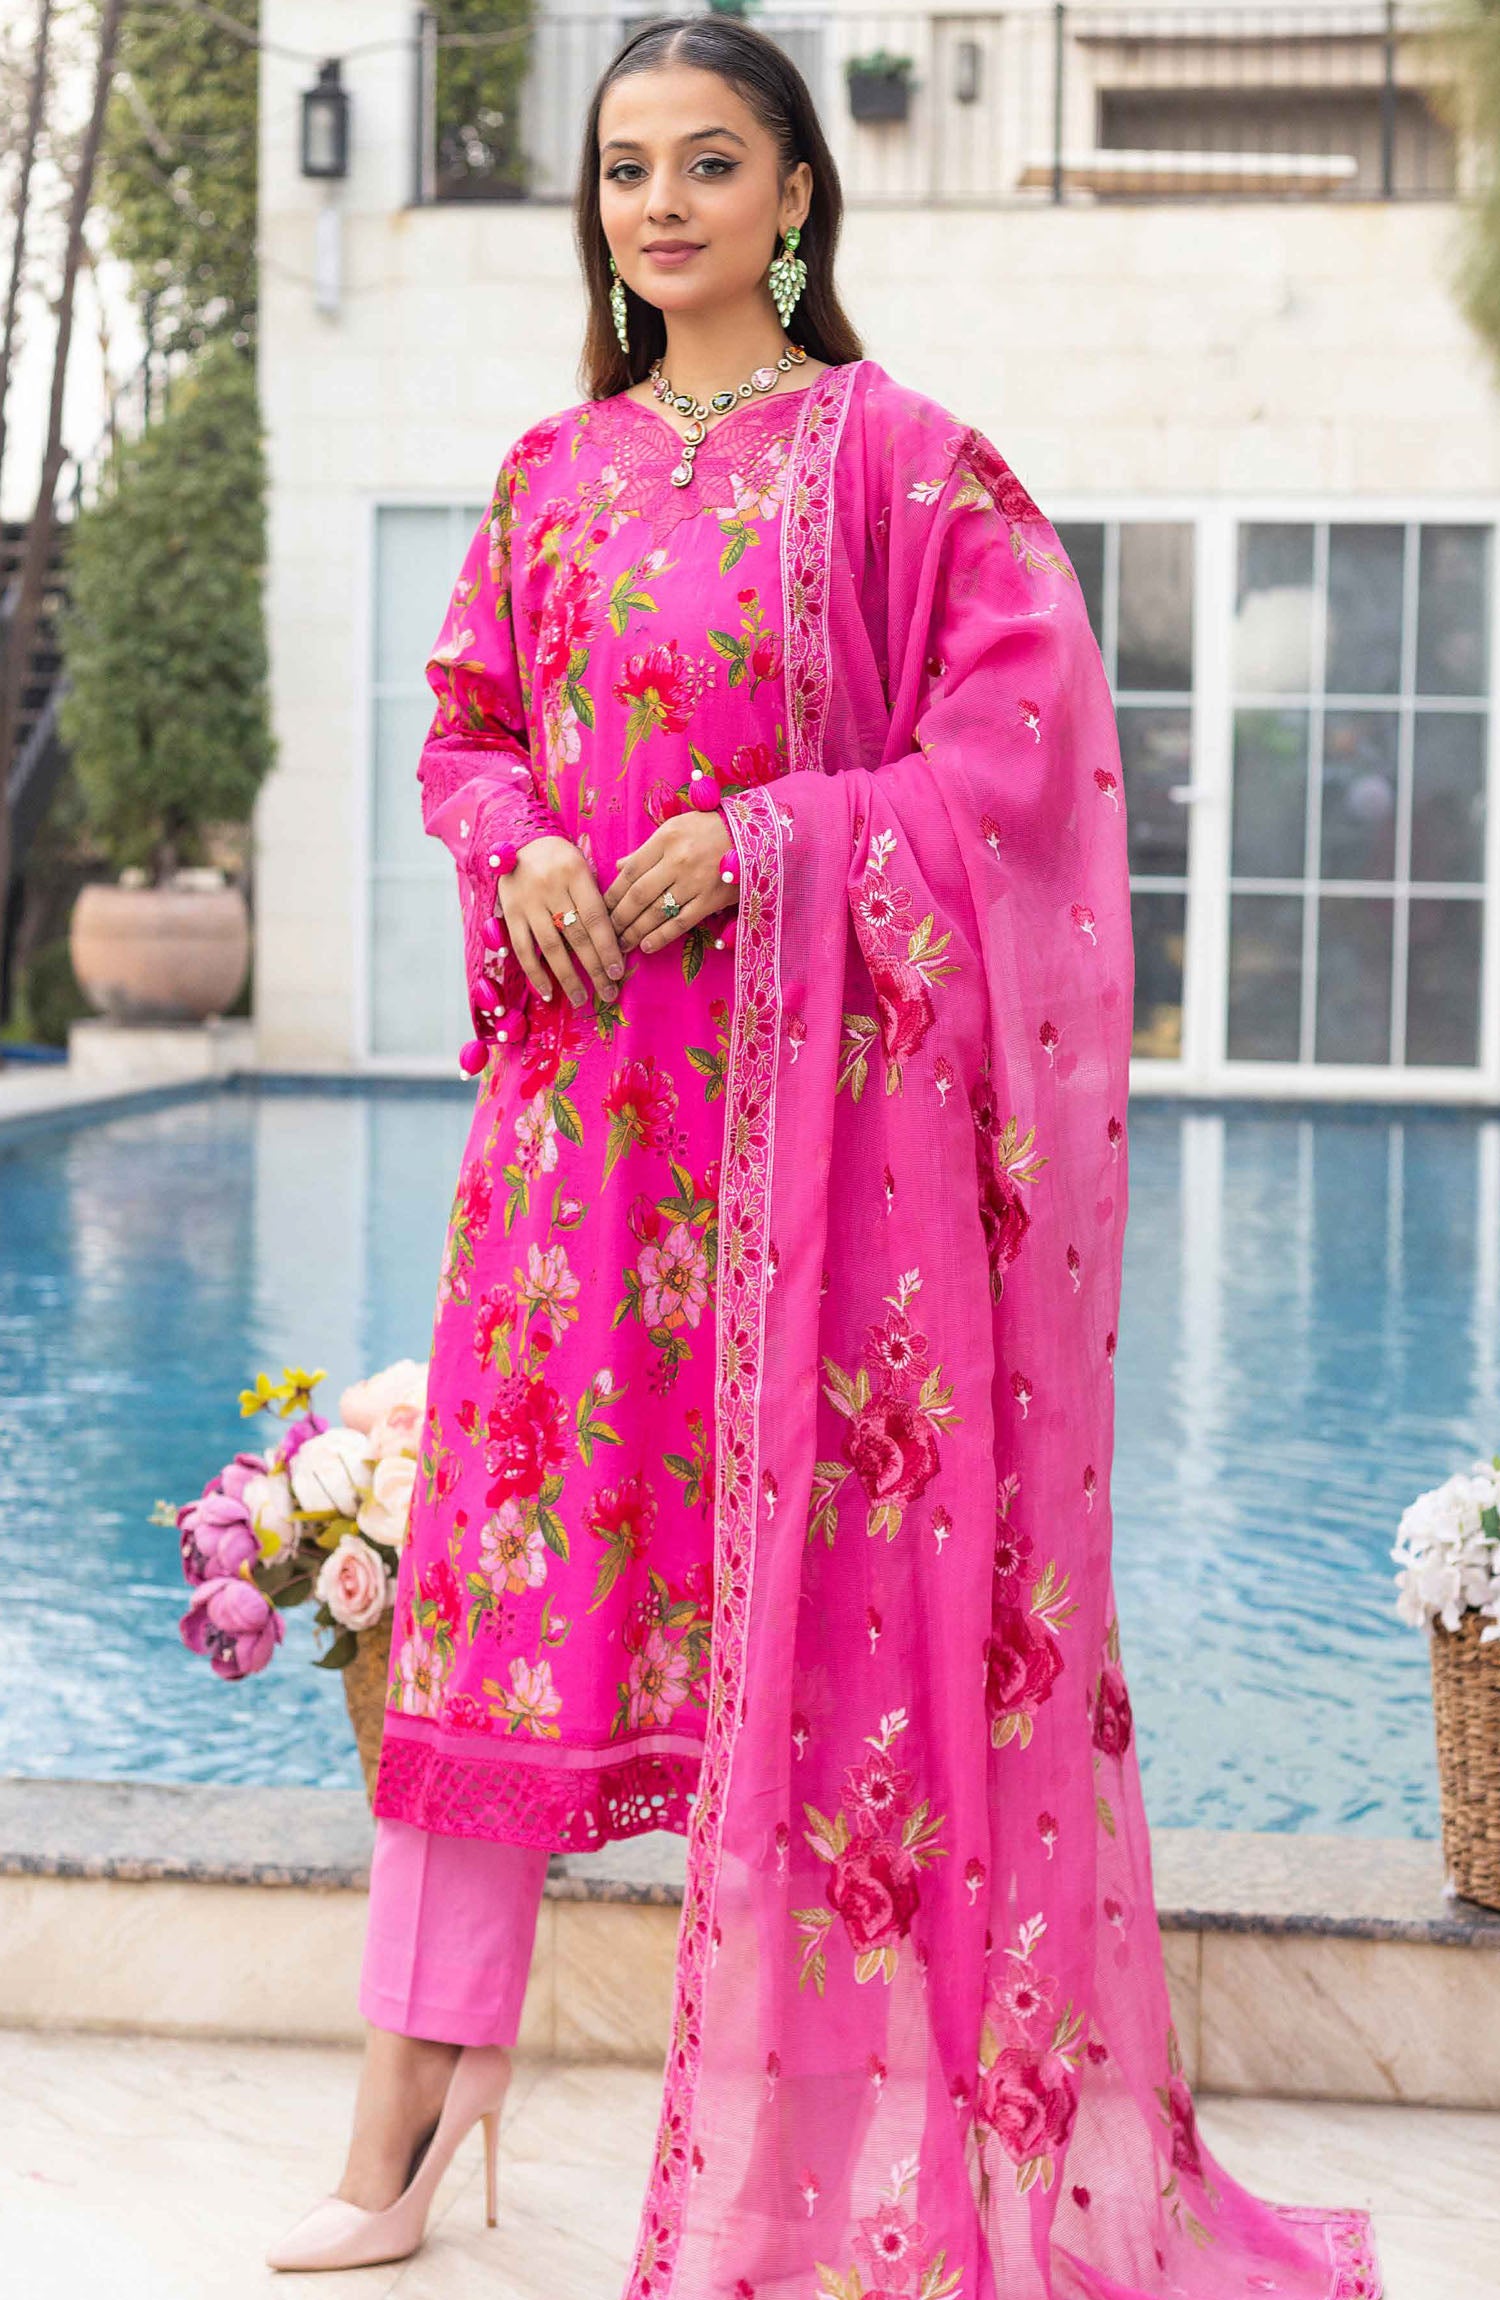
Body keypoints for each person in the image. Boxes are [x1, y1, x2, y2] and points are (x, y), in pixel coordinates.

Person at [269, 17, 1381, 2296]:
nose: (659, 205)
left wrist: (771, 839)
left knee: (847, 1632)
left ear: (796, 194)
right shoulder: (546, 473)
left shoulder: (904, 463)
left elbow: (1022, 756)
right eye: (623, 169)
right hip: (581, 1156)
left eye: (708, 163)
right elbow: (466, 731)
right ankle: (406, 2098)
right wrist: (516, 842)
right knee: (499, 1612)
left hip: (820, 1174)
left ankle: (845, 2141)